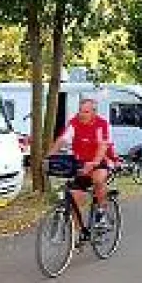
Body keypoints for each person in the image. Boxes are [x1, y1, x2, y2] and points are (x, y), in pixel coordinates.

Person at [48, 98, 112, 233]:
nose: (82, 114)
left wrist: (94, 162)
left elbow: (103, 145)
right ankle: (76, 234)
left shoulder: (101, 124)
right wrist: (49, 156)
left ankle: (101, 213)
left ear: (94, 112)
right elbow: (63, 139)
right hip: (80, 163)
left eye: (86, 112)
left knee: (98, 179)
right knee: (75, 199)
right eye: (80, 111)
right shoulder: (74, 122)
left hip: (98, 161)